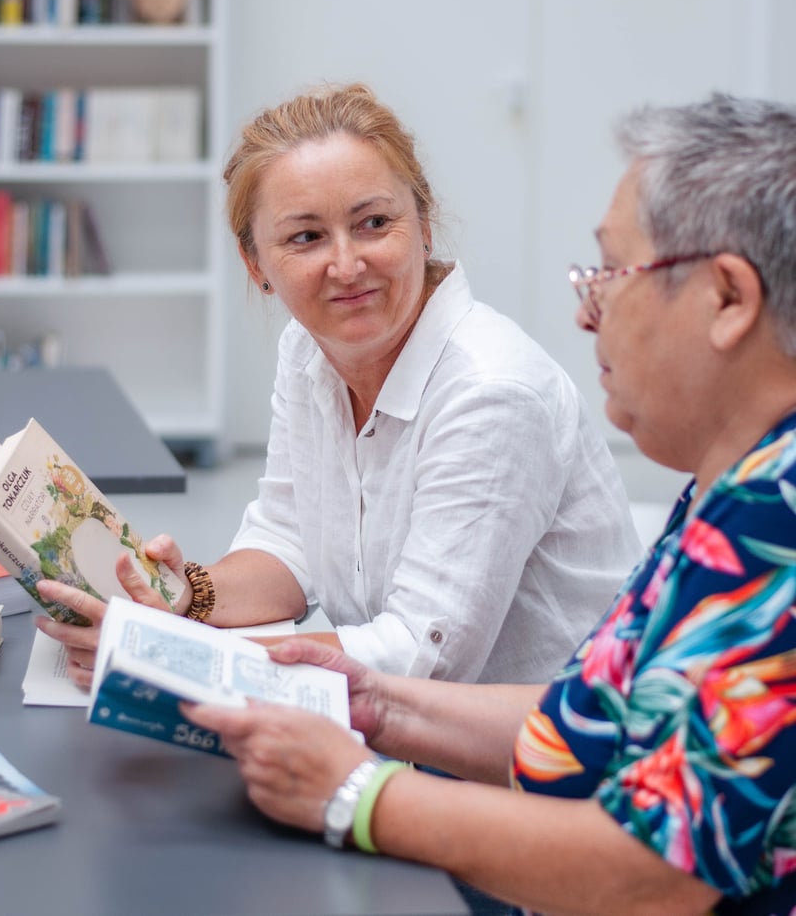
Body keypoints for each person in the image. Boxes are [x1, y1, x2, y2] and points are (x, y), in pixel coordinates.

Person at [170, 92, 796, 916]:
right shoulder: (732, 492)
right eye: (305, 237)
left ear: (727, 298)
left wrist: (358, 792)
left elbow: (653, 873)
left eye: (612, 272)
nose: (585, 308)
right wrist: (373, 699)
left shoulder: (769, 526)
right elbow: (599, 714)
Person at [36, 81, 639, 689]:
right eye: (306, 237)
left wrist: (178, 655)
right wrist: (180, 597)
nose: (347, 266)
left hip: (540, 766)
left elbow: (422, 658)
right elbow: (288, 541)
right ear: (256, 265)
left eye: (374, 223)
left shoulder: (492, 393)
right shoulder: (308, 351)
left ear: (423, 225)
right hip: (403, 737)